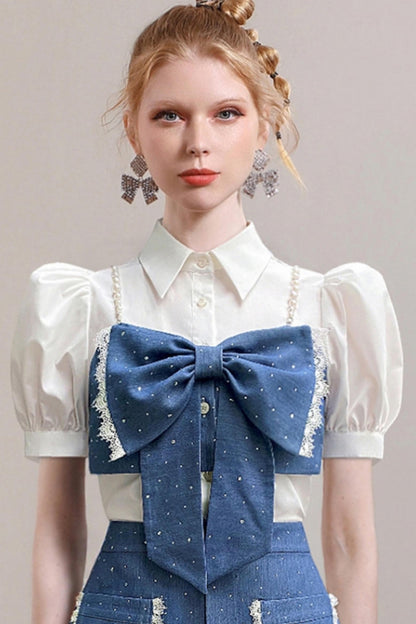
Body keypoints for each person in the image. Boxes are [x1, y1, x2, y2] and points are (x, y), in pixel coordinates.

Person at [10, 2, 403, 623]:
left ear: (265, 124)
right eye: (169, 115)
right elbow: (58, 532)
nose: (198, 142)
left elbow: (350, 539)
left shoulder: (330, 309)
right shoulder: (80, 309)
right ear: (134, 131)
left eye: (227, 113)